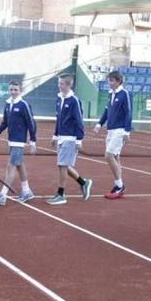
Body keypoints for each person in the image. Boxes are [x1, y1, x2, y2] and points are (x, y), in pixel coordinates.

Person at [0, 81, 37, 205]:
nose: (13, 92)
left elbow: (31, 123)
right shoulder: (7, 104)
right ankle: (27, 191)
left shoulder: (24, 105)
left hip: (19, 142)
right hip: (11, 140)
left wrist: (33, 142)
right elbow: (5, 122)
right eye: (11, 89)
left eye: (15, 89)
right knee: (19, 165)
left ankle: (2, 196)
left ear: (20, 91)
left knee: (11, 166)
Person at [47, 73, 92, 205]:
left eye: (61, 83)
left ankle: (61, 194)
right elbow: (59, 119)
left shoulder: (74, 101)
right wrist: (55, 136)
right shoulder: (59, 99)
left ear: (68, 85)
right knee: (64, 166)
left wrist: (79, 140)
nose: (59, 86)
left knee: (62, 166)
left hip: (70, 139)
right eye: (58, 83)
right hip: (61, 137)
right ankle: (84, 183)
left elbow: (79, 121)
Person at [93, 70, 132, 198]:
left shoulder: (124, 94)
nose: (109, 83)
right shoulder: (111, 94)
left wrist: (127, 131)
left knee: (108, 155)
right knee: (115, 157)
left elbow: (128, 113)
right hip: (110, 130)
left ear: (118, 81)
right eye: (109, 80)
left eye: (112, 80)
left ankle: (120, 185)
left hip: (119, 130)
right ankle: (119, 185)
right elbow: (106, 111)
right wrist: (99, 124)